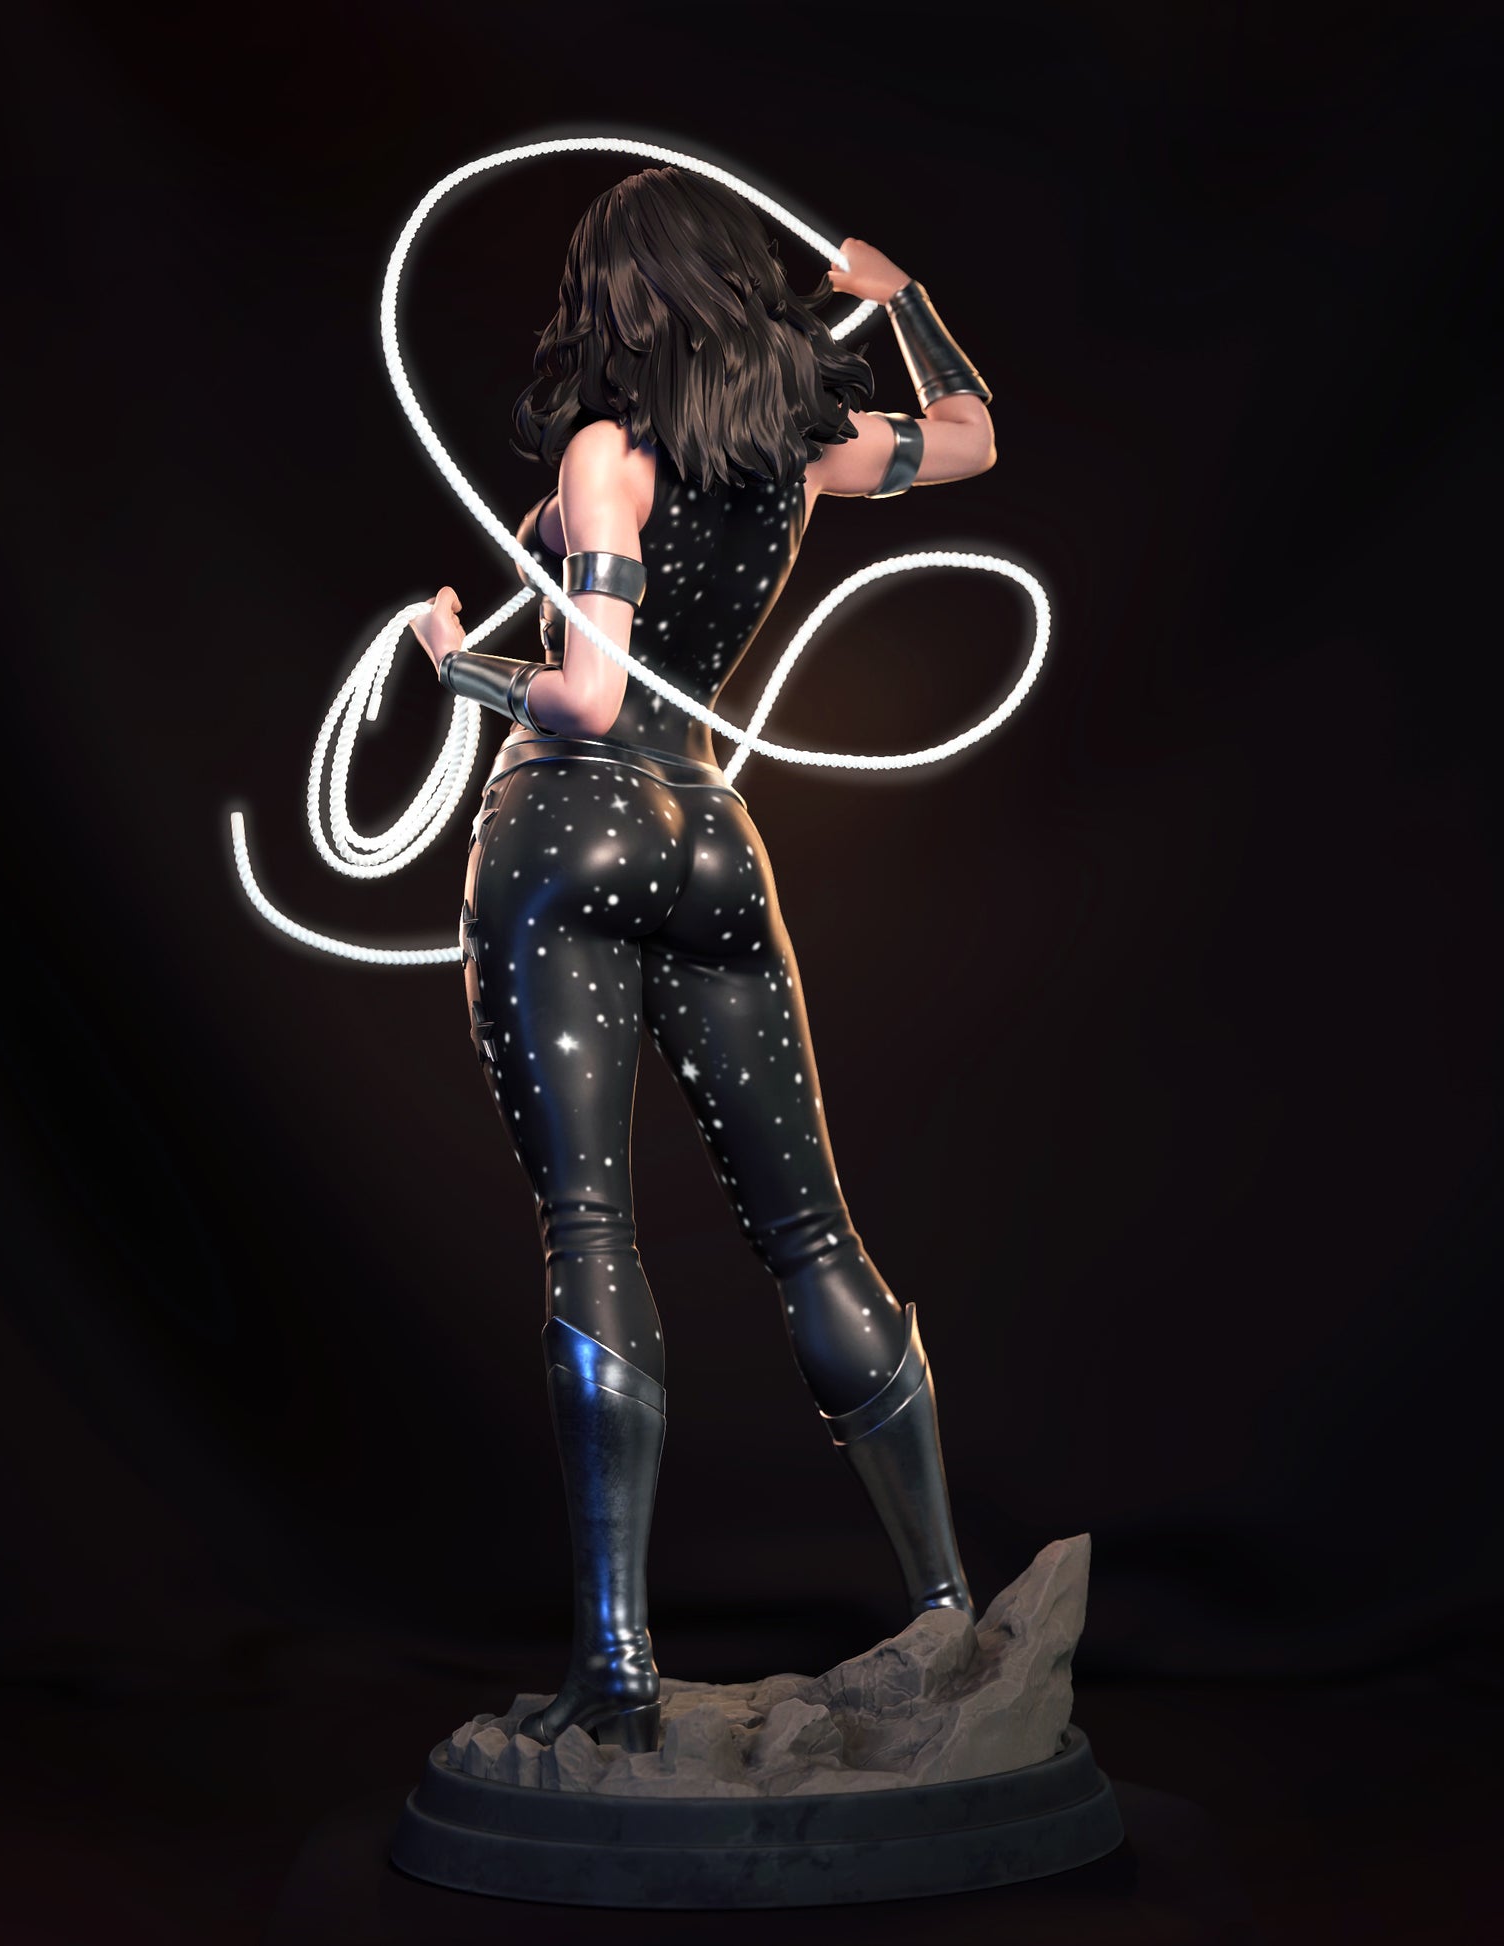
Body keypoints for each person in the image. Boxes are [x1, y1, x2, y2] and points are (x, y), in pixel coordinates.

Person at [408, 166, 997, 1753]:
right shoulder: (801, 444)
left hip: (568, 823)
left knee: (592, 1223)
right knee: (810, 1230)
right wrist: (899, 299)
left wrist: (465, 664)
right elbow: (967, 436)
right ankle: (948, 1604)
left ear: (610, 297)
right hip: (713, 835)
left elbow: (588, 695)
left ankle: (616, 1663)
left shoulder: (608, 452)